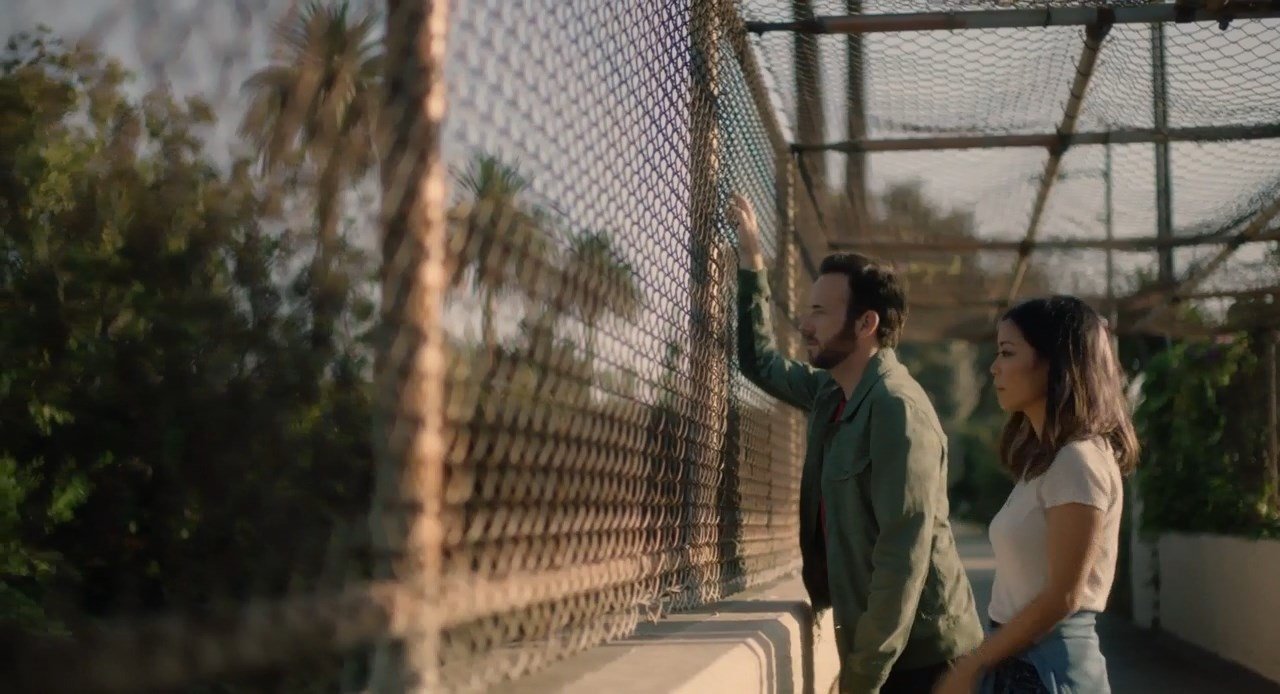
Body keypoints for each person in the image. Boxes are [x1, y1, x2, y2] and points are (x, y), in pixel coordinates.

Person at [727, 194, 984, 693]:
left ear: (866, 324)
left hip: (927, 660)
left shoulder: (897, 410)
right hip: (884, 651)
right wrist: (753, 265)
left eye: (820, 312)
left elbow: (902, 559)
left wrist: (861, 678)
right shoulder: (832, 392)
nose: (805, 325)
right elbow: (760, 364)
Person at [934, 297, 1139, 694]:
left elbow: (1063, 597)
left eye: (1008, 352)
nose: (994, 367)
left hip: (1047, 673)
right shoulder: (1048, 462)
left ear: (1055, 363)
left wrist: (973, 665)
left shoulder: (1078, 461)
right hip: (1022, 664)